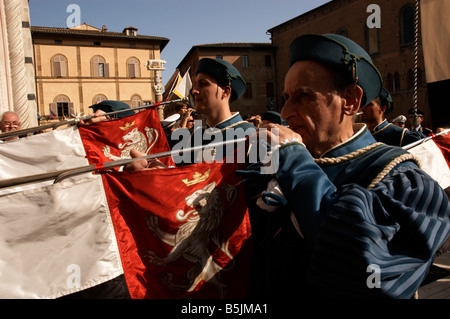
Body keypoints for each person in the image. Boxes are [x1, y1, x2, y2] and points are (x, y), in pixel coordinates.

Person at [244, 33, 450, 299]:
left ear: (351, 100)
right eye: (285, 98)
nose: (285, 113)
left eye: (302, 96)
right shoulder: (280, 163)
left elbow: (364, 271)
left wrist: (294, 159)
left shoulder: (402, 178)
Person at [125, 57, 255, 170]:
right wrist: (159, 171)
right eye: (195, 85)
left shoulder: (250, 136)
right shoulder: (190, 137)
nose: (194, 91)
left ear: (225, 92)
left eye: (203, 84)